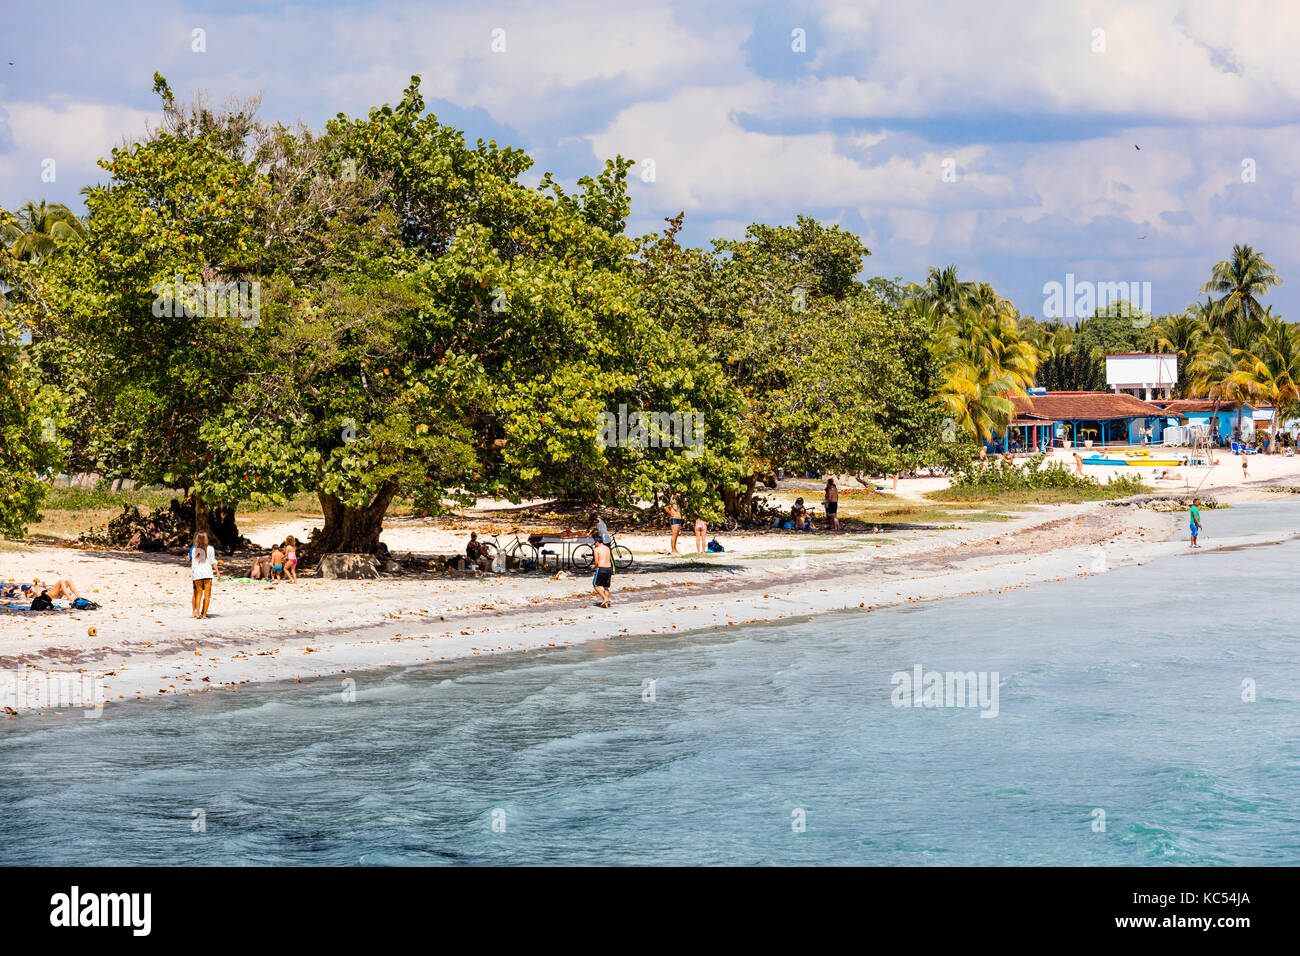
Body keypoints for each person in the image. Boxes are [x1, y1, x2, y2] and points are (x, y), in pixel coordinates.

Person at [190, 531, 219, 619]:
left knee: (198, 594)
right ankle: (205, 615)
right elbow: (213, 562)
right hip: (207, 573)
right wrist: (217, 571)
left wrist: (193, 574)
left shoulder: (194, 549)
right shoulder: (210, 549)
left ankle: (198, 613)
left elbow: (194, 563)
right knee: (207, 595)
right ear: (205, 539)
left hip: (198, 574)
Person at [591, 531, 613, 608]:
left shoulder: (596, 550)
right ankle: (606, 605)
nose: (594, 545)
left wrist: (594, 566)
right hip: (609, 568)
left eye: (594, 543)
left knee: (595, 585)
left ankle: (605, 598)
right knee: (606, 587)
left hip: (601, 568)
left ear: (597, 542)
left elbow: (597, 561)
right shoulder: (608, 548)